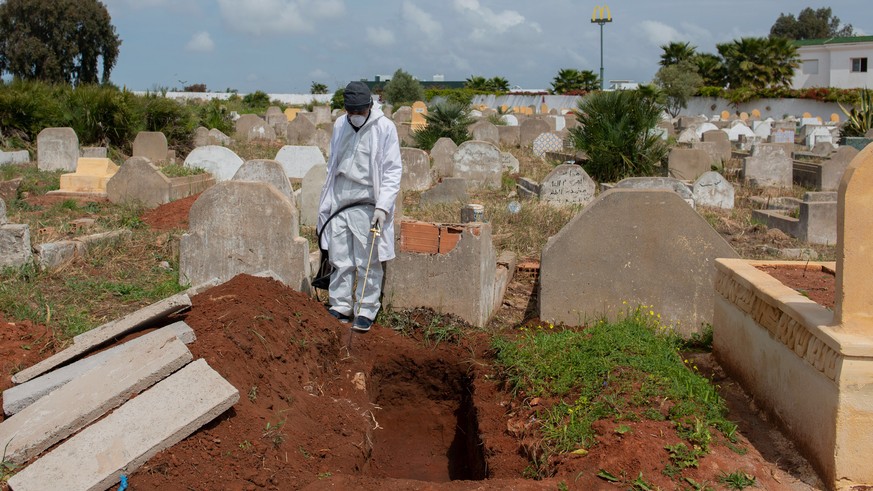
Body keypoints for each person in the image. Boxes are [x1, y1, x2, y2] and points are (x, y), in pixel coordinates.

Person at [315, 81, 402, 333]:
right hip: (341, 195)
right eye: (351, 112)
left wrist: (382, 207)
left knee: (368, 258)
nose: (355, 117)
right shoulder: (341, 124)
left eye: (360, 112)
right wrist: (329, 203)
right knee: (340, 255)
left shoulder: (384, 128)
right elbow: (334, 162)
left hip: (367, 199)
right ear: (345, 110)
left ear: (369, 107)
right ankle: (341, 305)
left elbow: (392, 170)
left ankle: (366, 308)